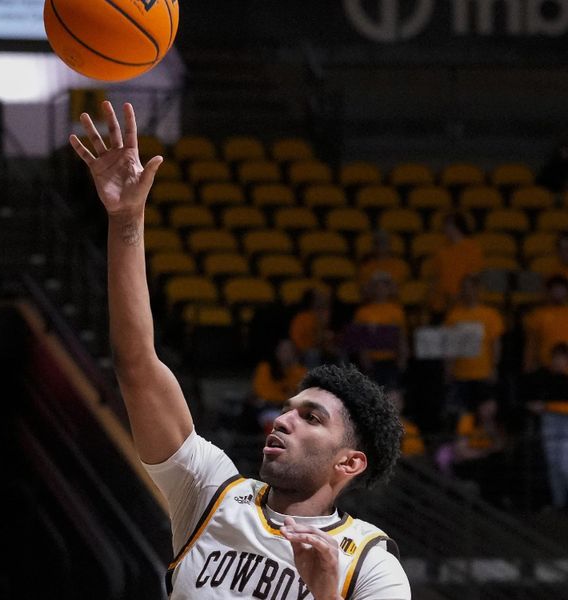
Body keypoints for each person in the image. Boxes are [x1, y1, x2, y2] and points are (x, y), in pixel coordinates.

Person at [70, 102, 410, 600]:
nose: (282, 420)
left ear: (349, 463)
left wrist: (324, 596)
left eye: (312, 418)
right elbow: (137, 366)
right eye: (289, 410)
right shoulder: (210, 490)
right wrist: (126, 219)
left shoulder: (371, 567)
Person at [443, 275, 505, 421]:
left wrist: (494, 367)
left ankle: (487, 442)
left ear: (478, 290)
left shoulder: (490, 315)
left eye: (471, 288)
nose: (468, 291)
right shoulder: (454, 315)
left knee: (486, 413)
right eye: (464, 288)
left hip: (483, 373)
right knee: (463, 416)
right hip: (460, 374)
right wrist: (448, 368)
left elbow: (495, 343)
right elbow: (449, 345)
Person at [524, 343, 568, 510]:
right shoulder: (544, 378)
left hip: (565, 424)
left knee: (565, 464)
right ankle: (559, 503)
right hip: (549, 421)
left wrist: (547, 407)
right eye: (554, 358)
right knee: (553, 464)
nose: (557, 361)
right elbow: (530, 400)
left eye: (561, 358)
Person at [352, 271, 408, 392]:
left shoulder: (397, 311)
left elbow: (401, 337)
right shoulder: (363, 312)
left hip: (391, 359)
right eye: (377, 285)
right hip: (372, 360)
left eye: (384, 285)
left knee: (393, 393)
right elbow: (361, 339)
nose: (380, 289)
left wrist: (402, 359)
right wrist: (365, 360)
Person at [428, 211, 484, 317]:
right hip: (441, 304)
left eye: (447, 225)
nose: (444, 229)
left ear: (456, 226)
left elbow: (474, 276)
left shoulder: (472, 248)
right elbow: (435, 277)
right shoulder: (440, 250)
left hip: (462, 304)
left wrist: (460, 296)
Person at [249, 339, 308, 435]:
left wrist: (292, 369)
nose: (286, 354)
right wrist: (284, 397)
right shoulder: (265, 368)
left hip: (291, 410)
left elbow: (301, 393)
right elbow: (262, 392)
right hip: (268, 408)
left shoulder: (300, 371)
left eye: (289, 351)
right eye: (283, 350)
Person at [523, 275, 568, 373]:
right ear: (548, 291)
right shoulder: (537, 315)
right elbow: (531, 343)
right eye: (555, 289)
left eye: (561, 289)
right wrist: (528, 364)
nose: (558, 293)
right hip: (545, 367)